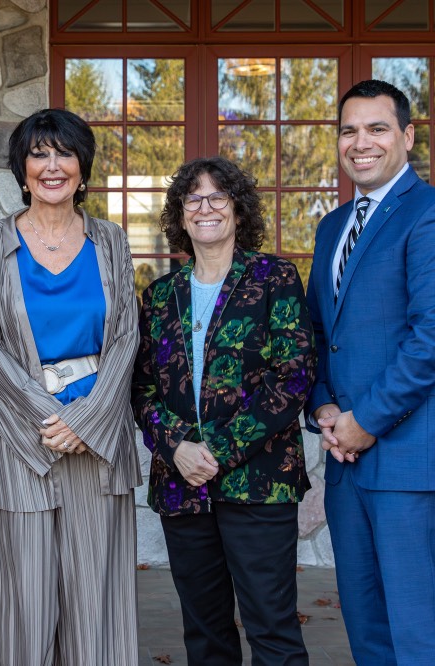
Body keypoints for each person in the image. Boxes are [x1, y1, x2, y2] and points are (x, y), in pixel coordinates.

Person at [306, 79, 435, 665]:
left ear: (406, 136)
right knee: (366, 618)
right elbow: (322, 336)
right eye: (349, 130)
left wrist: (367, 422)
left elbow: (432, 339)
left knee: (416, 622)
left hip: (409, 452)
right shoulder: (332, 227)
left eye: (377, 128)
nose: (362, 142)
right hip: (344, 453)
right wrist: (326, 408)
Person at [0, 108, 141, 665]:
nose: (52, 165)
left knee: (96, 603)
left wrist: (84, 421)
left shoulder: (110, 241)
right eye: (39, 154)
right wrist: (50, 418)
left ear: (83, 169)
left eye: (64, 153)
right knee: (23, 606)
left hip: (97, 441)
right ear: (22, 169)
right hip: (18, 441)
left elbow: (127, 336)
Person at [132, 156, 314, 665]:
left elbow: (294, 375)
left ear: (238, 210)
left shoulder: (274, 277)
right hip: (182, 485)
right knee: (205, 634)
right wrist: (176, 448)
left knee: (272, 629)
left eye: (218, 197)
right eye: (193, 199)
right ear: (180, 214)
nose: (205, 208)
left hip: (258, 482)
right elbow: (141, 387)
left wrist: (215, 447)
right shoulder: (160, 296)